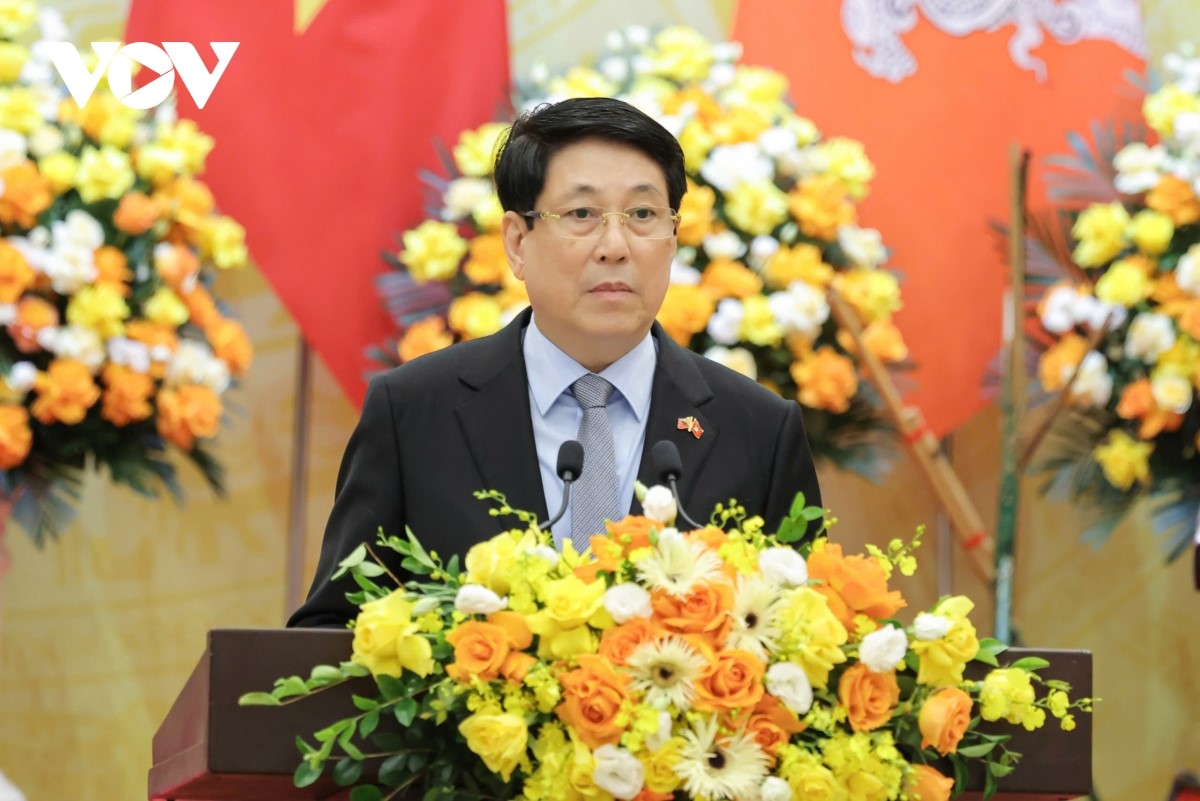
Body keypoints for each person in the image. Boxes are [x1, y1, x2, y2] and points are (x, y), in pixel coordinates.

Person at [288, 97, 821, 628]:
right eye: (582, 214)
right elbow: (333, 631)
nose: (615, 246)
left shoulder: (758, 430)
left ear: (674, 237)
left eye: (643, 215)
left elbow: (806, 635)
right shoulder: (414, 413)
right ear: (518, 242)